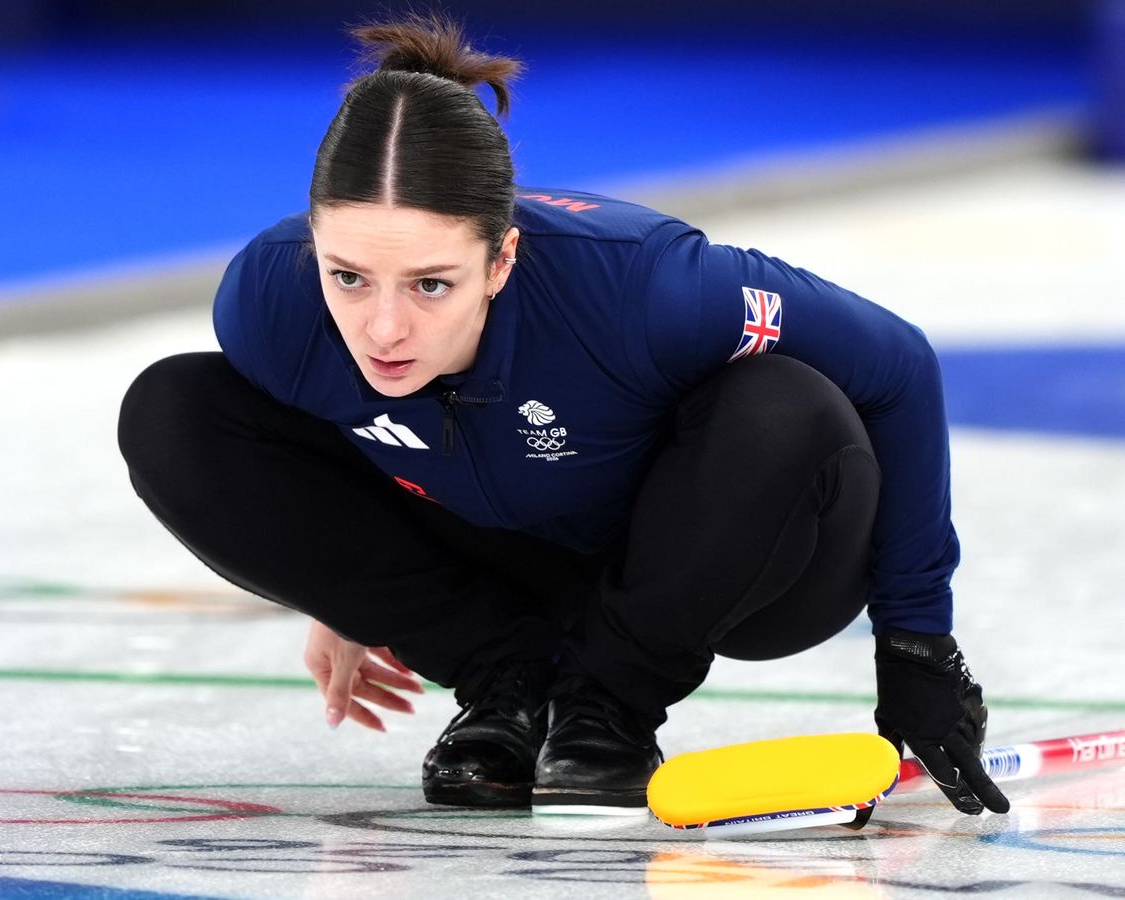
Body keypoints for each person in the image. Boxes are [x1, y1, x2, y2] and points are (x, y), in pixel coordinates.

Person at [117, 12, 1010, 817]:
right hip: (511, 555)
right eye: (348, 276)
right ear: (312, 244)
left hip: (733, 568)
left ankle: (609, 706)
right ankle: (511, 681)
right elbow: (314, 450)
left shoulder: (645, 288)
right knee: (174, 409)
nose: (382, 328)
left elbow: (898, 365)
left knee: (784, 402)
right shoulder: (269, 300)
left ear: (502, 259)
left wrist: (917, 640)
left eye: (431, 284)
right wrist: (341, 594)